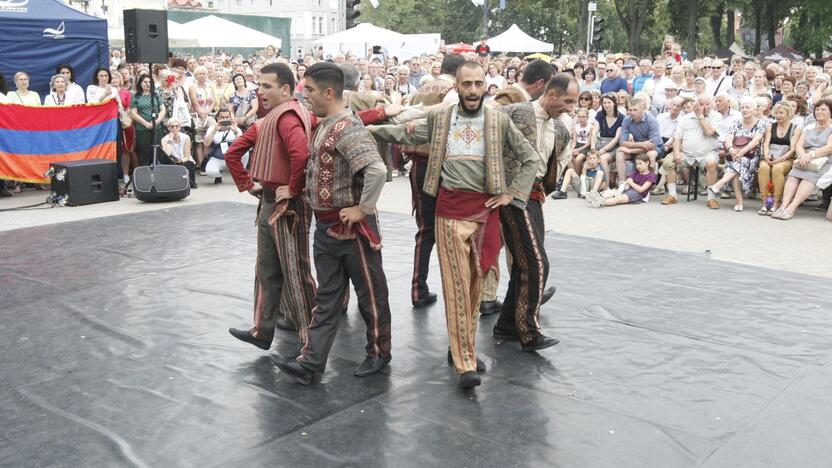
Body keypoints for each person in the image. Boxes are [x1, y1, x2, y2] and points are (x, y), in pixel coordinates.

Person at [369, 61, 543, 388]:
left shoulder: (497, 121)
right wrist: (360, 128)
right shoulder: (440, 118)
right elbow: (399, 131)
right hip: (448, 214)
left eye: (479, 83)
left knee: (476, 289)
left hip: (485, 215)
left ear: (485, 87)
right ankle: (465, 363)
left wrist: (511, 194)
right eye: (467, 84)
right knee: (457, 288)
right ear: (458, 87)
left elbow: (531, 158)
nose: (474, 90)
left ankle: (462, 348)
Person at [274, 63, 392, 385]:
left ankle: (380, 351)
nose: (304, 95)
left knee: (370, 294)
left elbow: (377, 170)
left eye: (309, 90)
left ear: (328, 92)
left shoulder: (347, 127)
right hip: (326, 228)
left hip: (351, 231)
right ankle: (311, 362)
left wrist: (362, 208)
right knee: (327, 298)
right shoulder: (325, 124)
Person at [224, 63, 318, 359]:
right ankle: (263, 331)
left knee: (294, 271)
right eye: (259, 85)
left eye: (267, 86)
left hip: (285, 204)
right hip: (274, 200)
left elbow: (300, 154)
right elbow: (233, 154)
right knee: (270, 269)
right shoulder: (288, 115)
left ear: (286, 89)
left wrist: (291, 187)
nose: (260, 91)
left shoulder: (284, 117)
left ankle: (309, 344)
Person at [396, 53, 464, 309]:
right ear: (458, 73)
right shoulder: (453, 92)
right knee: (450, 228)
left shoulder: (420, 89)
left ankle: (418, 288)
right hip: (443, 165)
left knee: (425, 230)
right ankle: (456, 291)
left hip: (418, 164)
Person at [773, 98, 832, 220]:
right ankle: (783, 206)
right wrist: (802, 156)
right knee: (793, 176)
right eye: (817, 109)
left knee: (808, 178)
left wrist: (810, 156)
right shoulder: (809, 127)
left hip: (823, 160)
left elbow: (829, 148)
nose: (819, 111)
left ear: (830, 112)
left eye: (823, 109)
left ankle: (791, 208)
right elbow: (799, 145)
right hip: (804, 158)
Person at [659, 95, 722, 206]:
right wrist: (677, 152)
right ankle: (672, 195)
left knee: (712, 164)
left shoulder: (717, 117)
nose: (705, 107)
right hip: (686, 154)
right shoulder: (685, 118)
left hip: (707, 153)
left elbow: (709, 132)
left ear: (712, 105)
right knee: (668, 161)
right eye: (702, 104)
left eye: (707, 104)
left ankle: (711, 199)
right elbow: (678, 138)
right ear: (696, 105)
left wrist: (700, 116)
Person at [707, 97, 766, 212]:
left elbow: (756, 141)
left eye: (747, 107)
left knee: (739, 163)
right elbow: (729, 139)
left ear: (754, 110)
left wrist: (742, 152)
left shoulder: (760, 123)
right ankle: (736, 199)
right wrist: (731, 149)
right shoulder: (736, 122)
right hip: (734, 154)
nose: (744, 110)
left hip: (751, 155)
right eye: (742, 107)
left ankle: (721, 185)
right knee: (737, 165)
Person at [758, 101, 800, 215]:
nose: (778, 115)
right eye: (776, 113)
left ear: (788, 113)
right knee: (763, 168)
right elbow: (766, 144)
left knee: (777, 168)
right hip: (770, 156)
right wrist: (766, 156)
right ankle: (765, 201)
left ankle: (776, 202)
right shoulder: (770, 126)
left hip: (786, 158)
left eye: (781, 113)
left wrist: (780, 159)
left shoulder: (795, 128)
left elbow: (793, 149)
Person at [614, 98, 663, 182]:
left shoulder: (651, 120)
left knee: (650, 154)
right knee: (620, 152)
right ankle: (622, 183)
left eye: (635, 110)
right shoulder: (626, 120)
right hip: (639, 147)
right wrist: (641, 144)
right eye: (630, 110)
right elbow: (622, 142)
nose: (632, 112)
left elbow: (652, 145)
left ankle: (650, 183)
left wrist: (630, 151)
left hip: (656, 148)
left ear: (642, 110)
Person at [586, 153, 655, 207]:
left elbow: (641, 190)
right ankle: (596, 197)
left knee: (619, 199)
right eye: (637, 164)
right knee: (613, 192)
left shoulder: (650, 176)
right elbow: (628, 182)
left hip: (638, 194)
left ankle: (601, 202)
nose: (638, 166)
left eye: (640, 163)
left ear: (647, 163)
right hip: (628, 190)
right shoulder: (635, 172)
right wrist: (624, 185)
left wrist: (631, 183)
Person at [130, 74, 166, 167]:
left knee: (159, 150)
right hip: (142, 128)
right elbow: (133, 113)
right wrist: (146, 123)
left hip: (157, 127)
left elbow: (162, 109)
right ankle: (145, 174)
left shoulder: (156, 95)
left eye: (150, 82)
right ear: (140, 83)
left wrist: (157, 121)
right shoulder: (136, 97)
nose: (147, 84)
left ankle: (159, 172)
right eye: (145, 82)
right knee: (144, 152)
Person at [203, 107, 243, 184]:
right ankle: (218, 176)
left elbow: (243, 144)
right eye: (222, 117)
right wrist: (215, 130)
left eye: (227, 117)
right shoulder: (212, 128)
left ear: (230, 118)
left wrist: (235, 131)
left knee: (246, 153)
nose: (225, 119)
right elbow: (206, 143)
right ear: (218, 118)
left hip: (233, 159)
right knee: (210, 172)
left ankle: (239, 175)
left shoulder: (236, 128)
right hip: (217, 157)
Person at [189, 65, 217, 168]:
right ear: (196, 75)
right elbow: (195, 103)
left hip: (208, 115)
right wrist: (202, 113)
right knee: (199, 141)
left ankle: (207, 163)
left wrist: (208, 111)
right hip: (197, 115)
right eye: (200, 74)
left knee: (209, 139)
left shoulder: (210, 86)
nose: (202, 76)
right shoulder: (193, 86)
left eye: (204, 73)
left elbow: (213, 102)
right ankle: (201, 165)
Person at [159, 118, 197, 188]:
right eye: (172, 126)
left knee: (187, 165)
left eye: (177, 126)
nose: (174, 128)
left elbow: (187, 156)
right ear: (168, 128)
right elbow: (167, 153)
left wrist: (180, 161)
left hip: (184, 160)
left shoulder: (186, 137)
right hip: (171, 160)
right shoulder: (164, 139)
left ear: (180, 127)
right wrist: (170, 139)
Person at [596, 93, 625, 180]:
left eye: (609, 102)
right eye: (604, 103)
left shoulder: (621, 118)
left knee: (602, 158)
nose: (606, 105)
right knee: (591, 156)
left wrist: (603, 150)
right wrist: (593, 149)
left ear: (614, 103)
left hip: (614, 146)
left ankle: (607, 185)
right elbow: (594, 132)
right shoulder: (600, 115)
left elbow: (616, 139)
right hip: (601, 142)